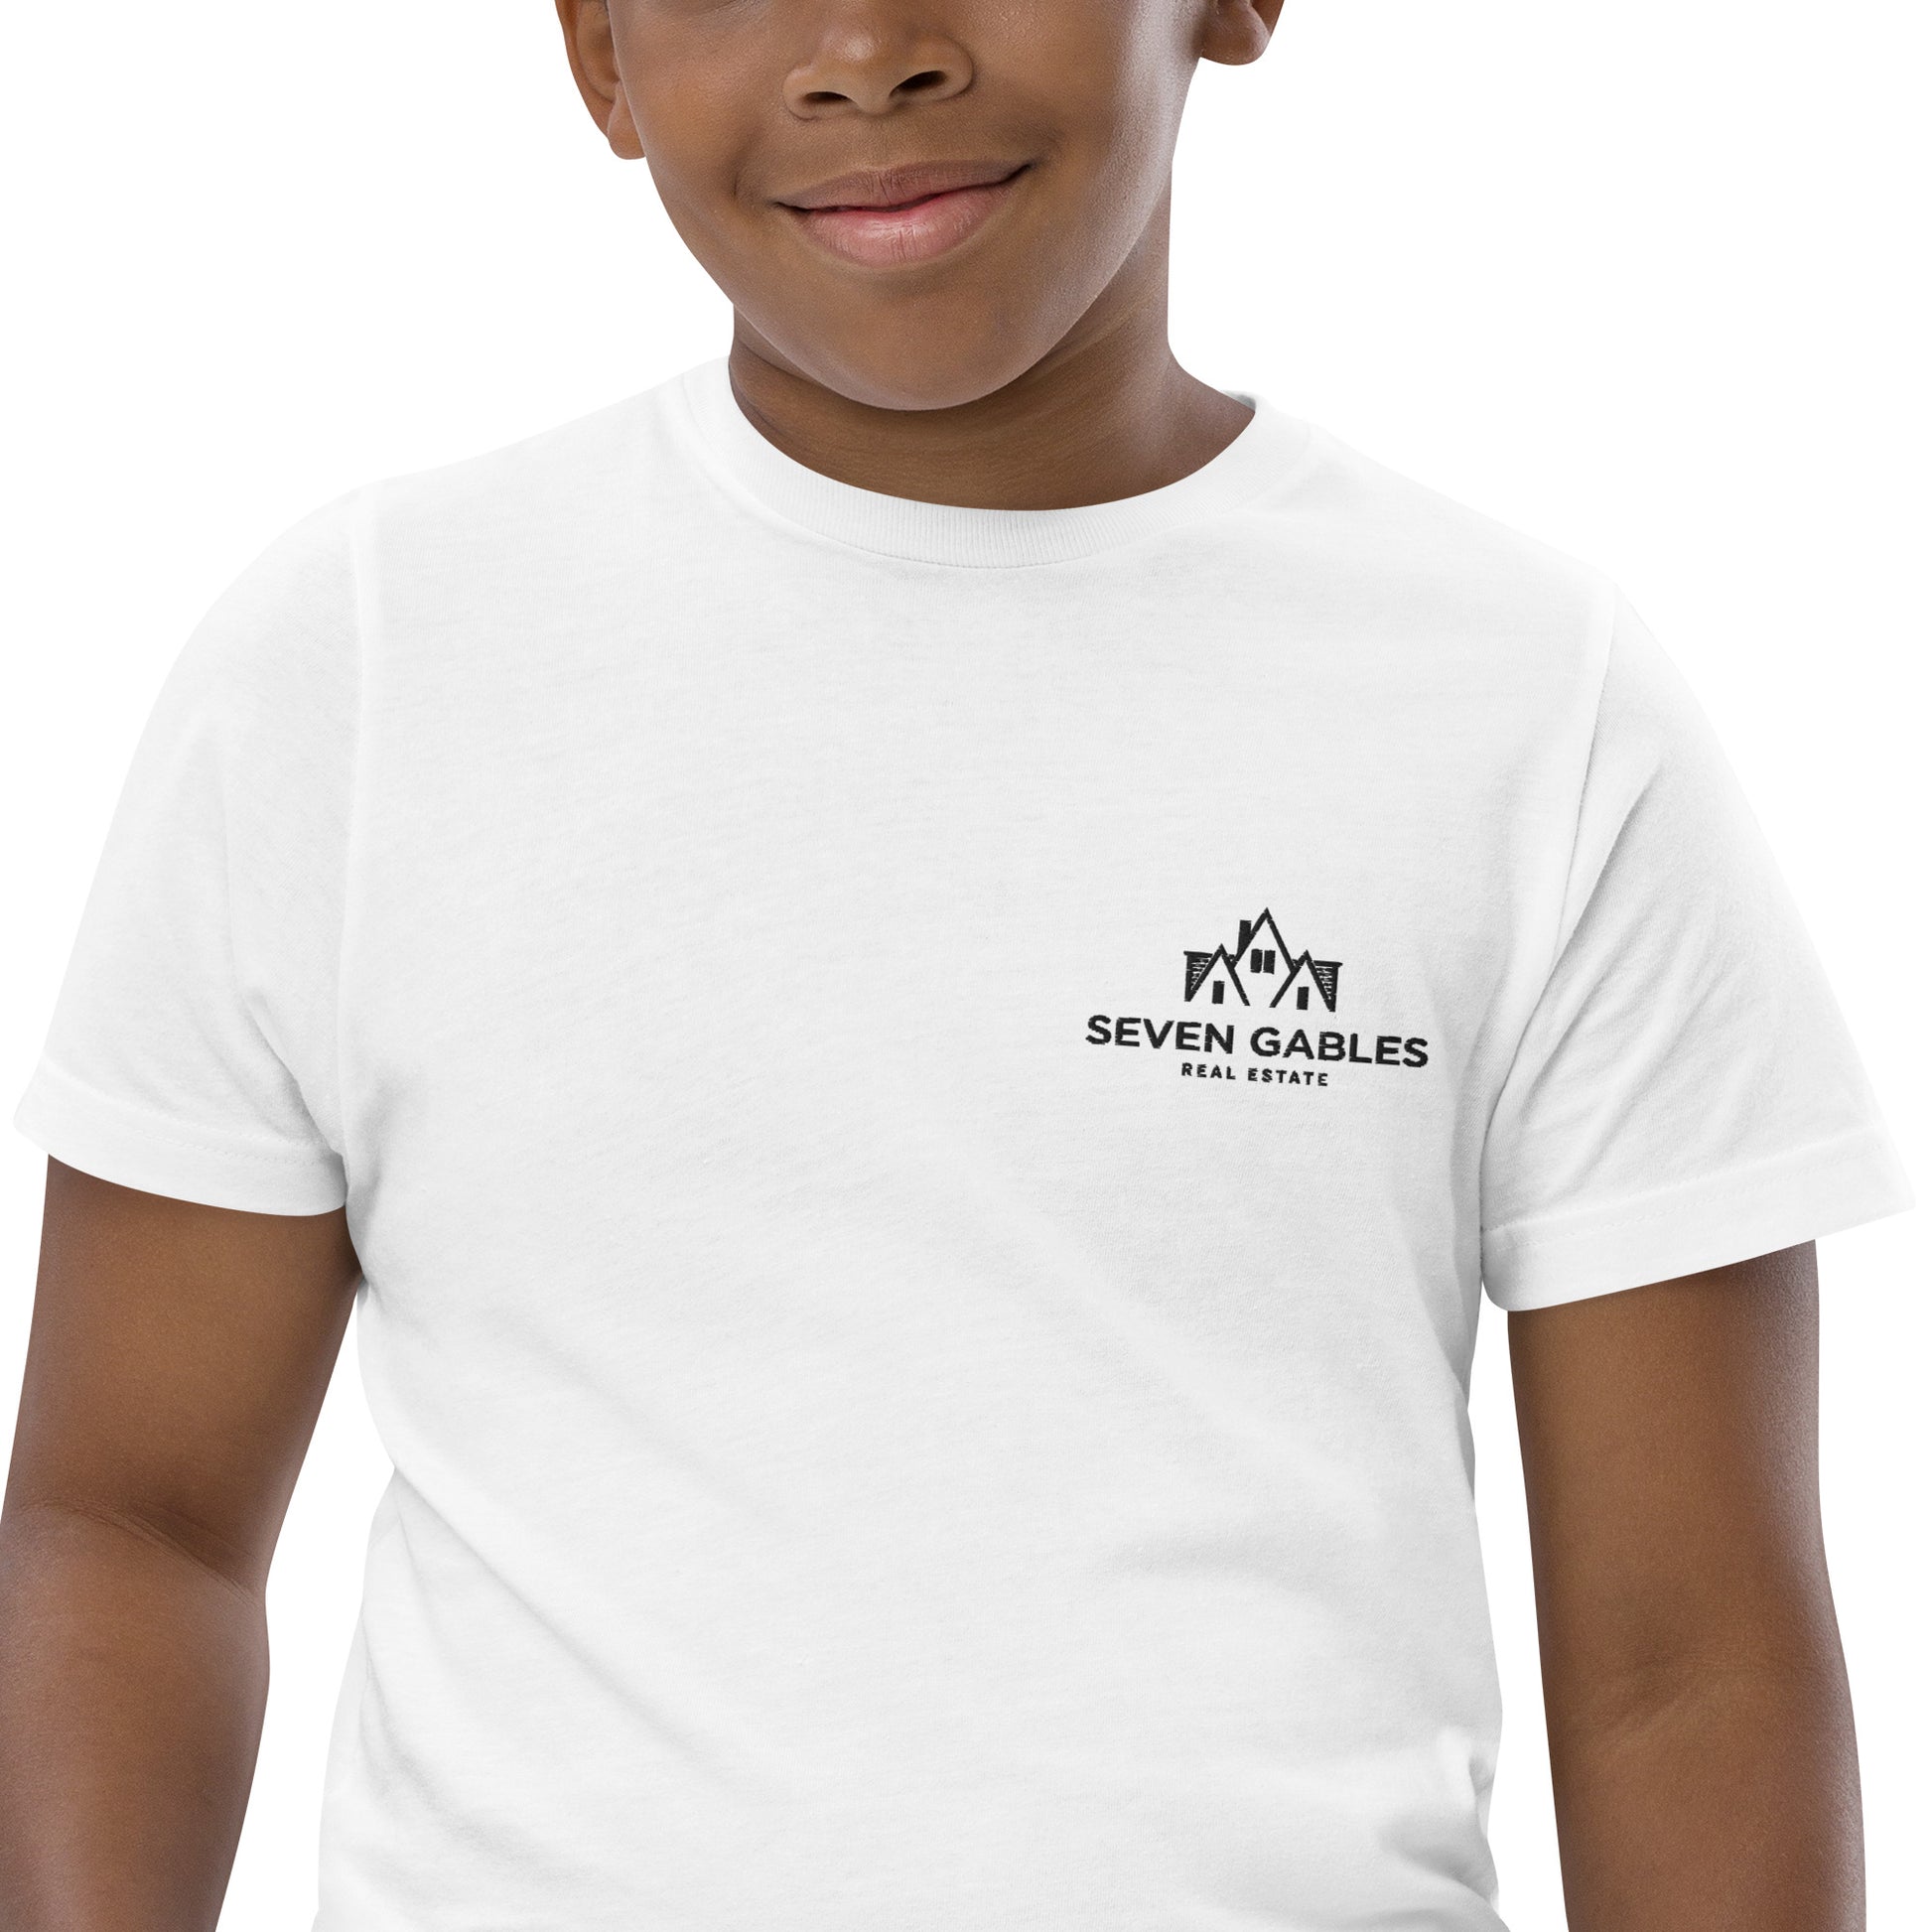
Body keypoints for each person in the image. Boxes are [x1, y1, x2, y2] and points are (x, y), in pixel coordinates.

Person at [0, 1, 1912, 1926]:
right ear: (598, 56)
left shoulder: (1527, 707)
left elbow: (1687, 1665)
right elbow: (132, 1523)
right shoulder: (362, 664)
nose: (863, 48)